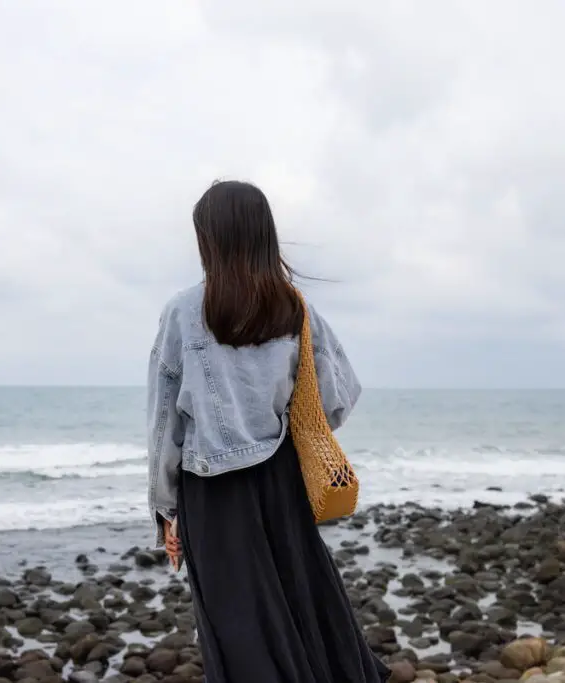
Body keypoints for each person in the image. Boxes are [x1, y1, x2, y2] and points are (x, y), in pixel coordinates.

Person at [146, 180, 390, 682]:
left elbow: (164, 422)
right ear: (263, 236)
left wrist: (166, 510)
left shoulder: (183, 313)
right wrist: (285, 424)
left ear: (209, 240)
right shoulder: (294, 308)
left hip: (212, 494)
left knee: (235, 628)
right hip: (282, 484)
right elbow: (339, 397)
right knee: (303, 609)